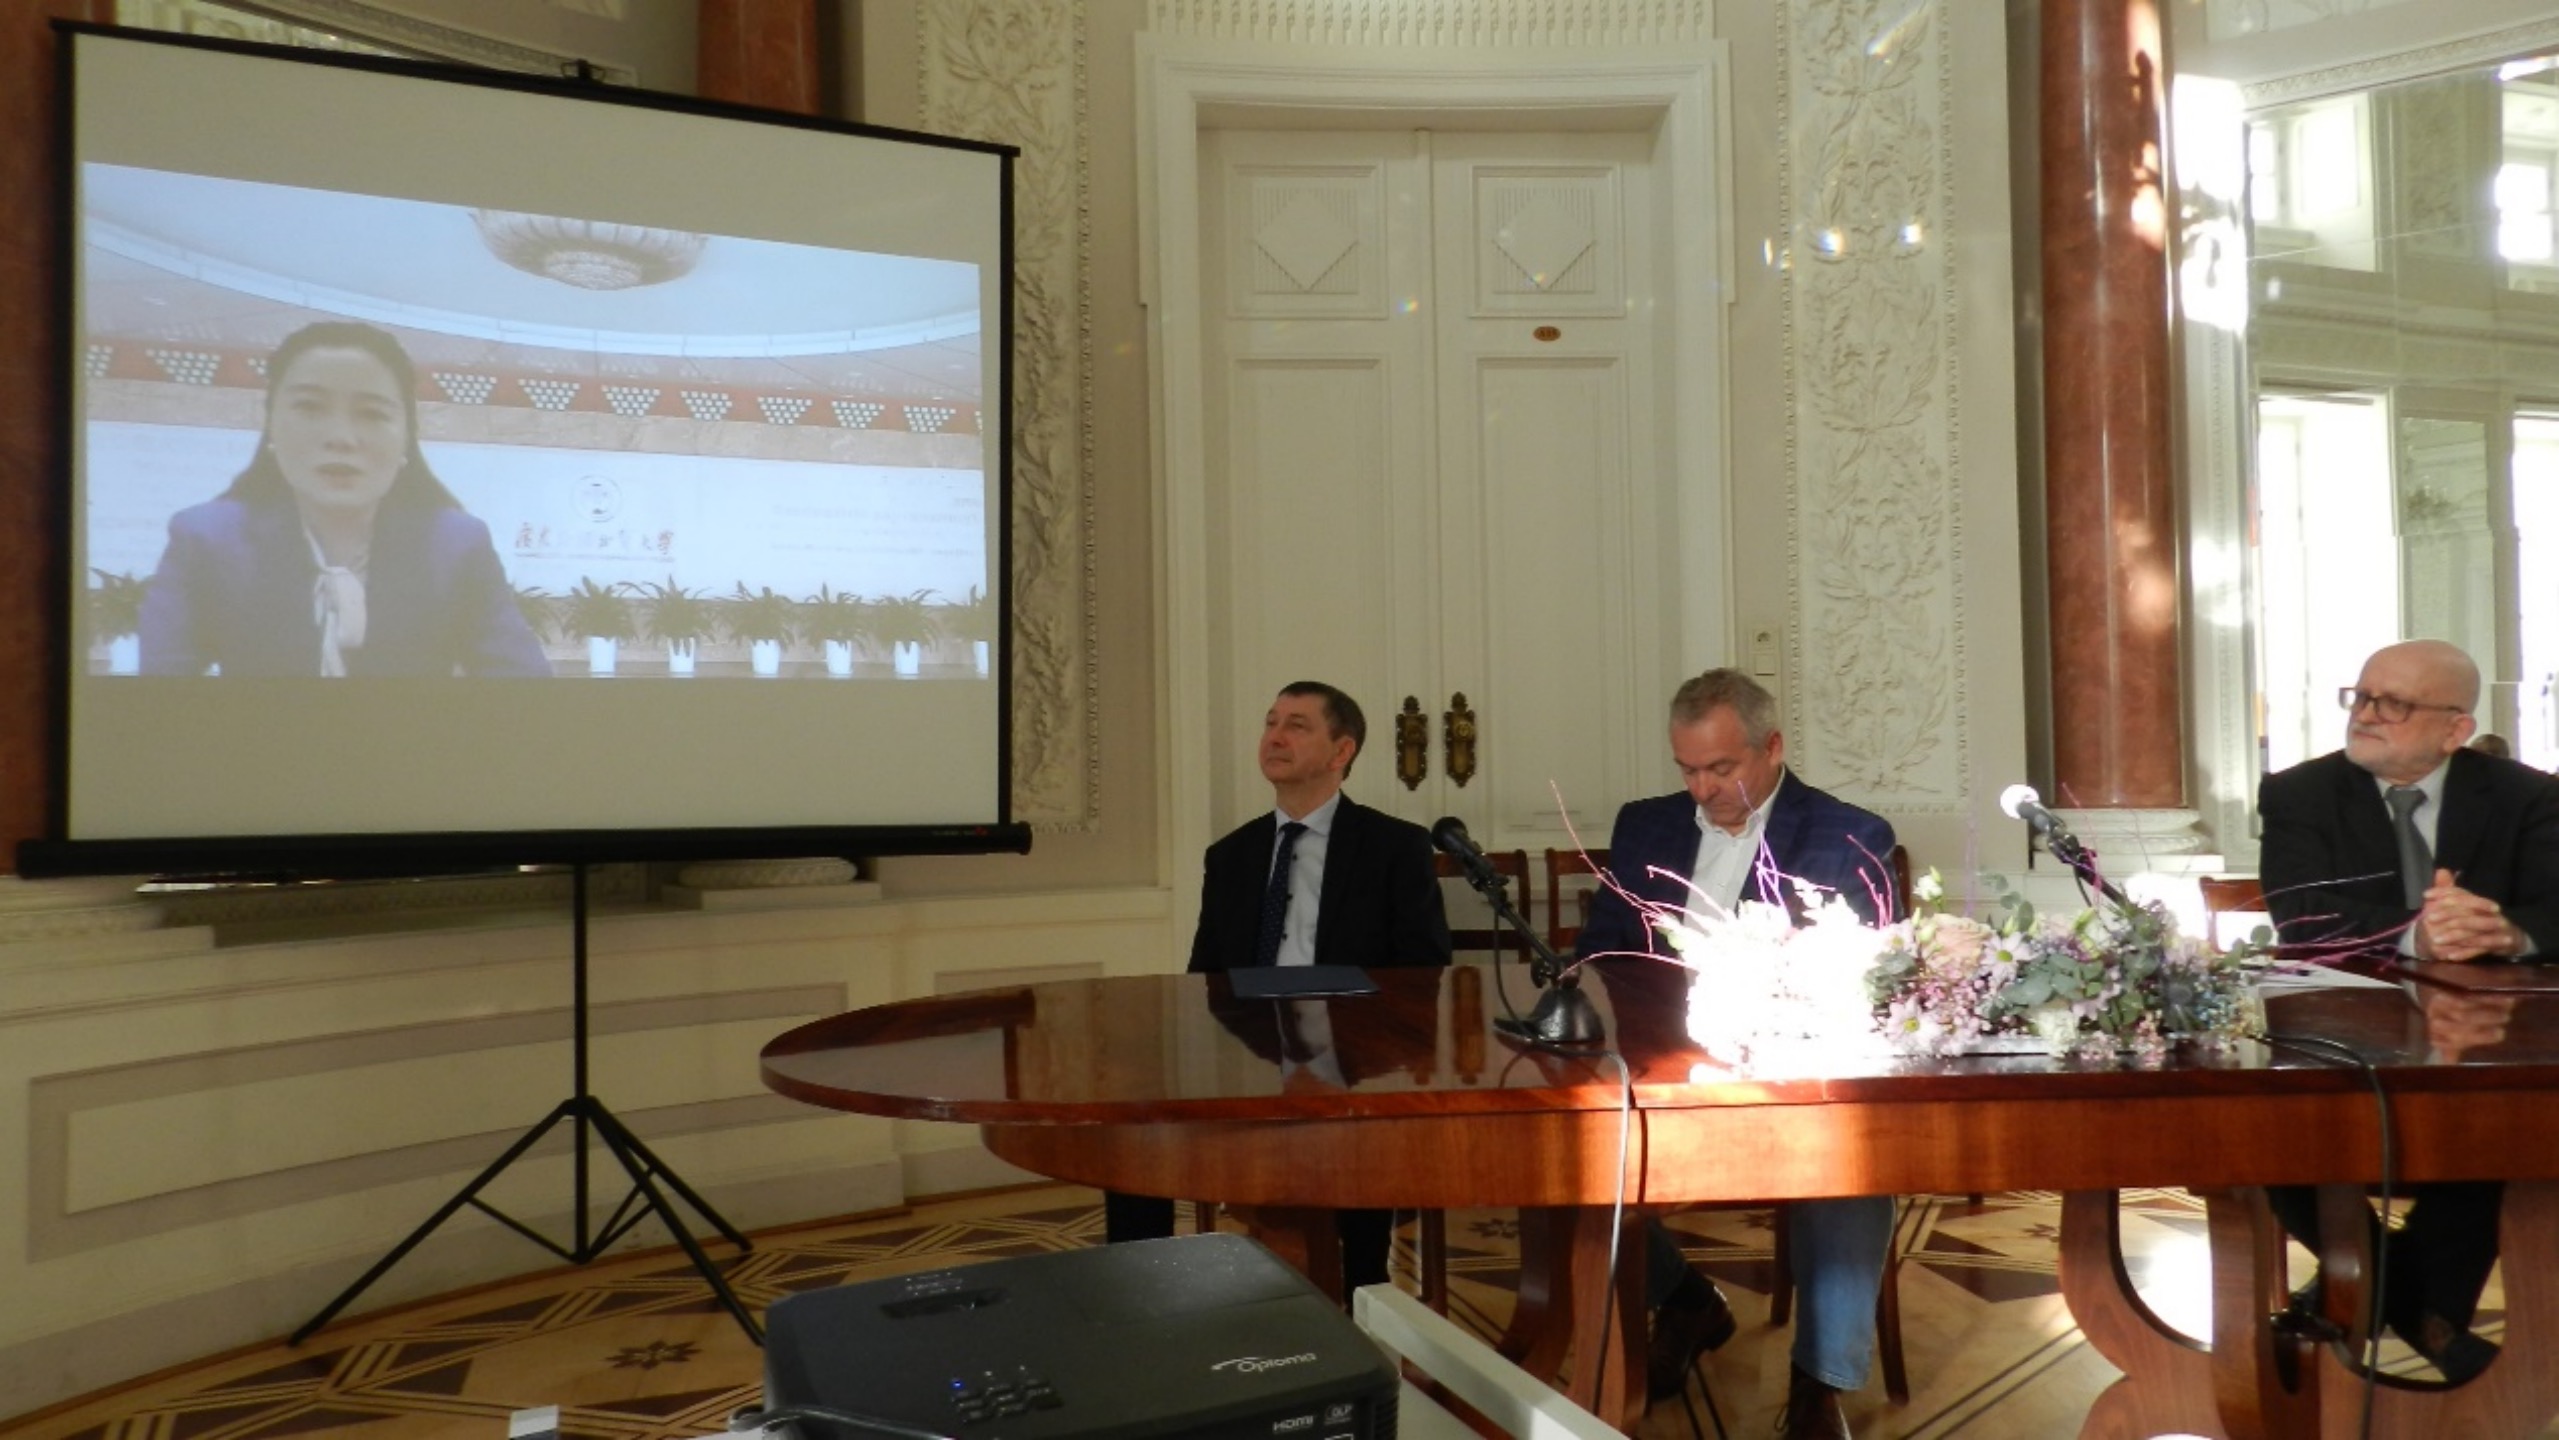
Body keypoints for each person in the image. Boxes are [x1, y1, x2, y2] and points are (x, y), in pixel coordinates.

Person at [1577, 668, 1898, 1438]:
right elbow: (1599, 950)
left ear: (1772, 747)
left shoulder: (1847, 834)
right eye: (1687, 769)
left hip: (1785, 1074)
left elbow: (1868, 981)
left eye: (1721, 768)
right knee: (1562, 1150)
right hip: (1656, 1072)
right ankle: (1685, 1298)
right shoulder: (1645, 826)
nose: (1702, 790)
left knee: (1855, 1160)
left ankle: (1819, 1381)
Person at [2257, 638, 2559, 1383]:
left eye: (2391, 704)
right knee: (2267, 1119)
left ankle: (2365, 1295)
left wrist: (2507, 931)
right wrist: (2415, 932)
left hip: (2485, 1033)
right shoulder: (2299, 793)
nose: (2365, 714)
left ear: (2455, 729)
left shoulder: (2526, 796)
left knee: (2508, 1121)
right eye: (2360, 696)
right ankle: (2422, 1313)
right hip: (2339, 1025)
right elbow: (2301, 916)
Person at [1105, 681, 1452, 1292]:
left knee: (1356, 1119)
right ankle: (1142, 1293)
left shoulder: (1393, 846)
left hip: (1354, 1057)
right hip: (1246, 1055)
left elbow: (1423, 969)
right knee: (1133, 1120)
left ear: (1342, 750)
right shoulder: (1231, 855)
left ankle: (1363, 1287)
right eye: (1270, 722)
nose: (1275, 736)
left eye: (1297, 725)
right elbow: (1205, 976)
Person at [137, 320, 551, 677]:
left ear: (406, 438)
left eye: (372, 414)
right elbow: (159, 702)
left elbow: (524, 692)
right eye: (310, 408)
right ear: (271, 427)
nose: (341, 437)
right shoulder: (205, 540)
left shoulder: (457, 545)